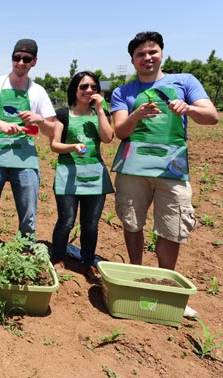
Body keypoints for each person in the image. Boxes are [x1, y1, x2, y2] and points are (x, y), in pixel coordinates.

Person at [110, 31, 218, 318]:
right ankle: (134, 276)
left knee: (172, 226)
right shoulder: (124, 92)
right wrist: (136, 115)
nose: (147, 58)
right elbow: (119, 131)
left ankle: (165, 285)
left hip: (172, 168)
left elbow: (212, 116)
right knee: (132, 221)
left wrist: (189, 108)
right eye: (140, 54)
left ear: (161, 53)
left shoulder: (184, 82)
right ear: (132, 60)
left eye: (152, 52)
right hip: (133, 168)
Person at [0, 38, 56, 275]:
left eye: (26, 59)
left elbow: (53, 130)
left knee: (28, 213)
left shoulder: (38, 91)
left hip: (25, 161)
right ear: (12, 58)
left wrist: (40, 120)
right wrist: (0, 124)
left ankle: (27, 255)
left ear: (34, 62)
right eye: (17, 57)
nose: (21, 62)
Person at [49, 71, 114, 281]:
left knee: (91, 224)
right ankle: (57, 257)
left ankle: (87, 262)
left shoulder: (100, 114)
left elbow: (108, 138)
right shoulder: (63, 114)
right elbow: (54, 145)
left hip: (95, 176)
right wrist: (73, 147)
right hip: (69, 175)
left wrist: (101, 111)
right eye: (84, 87)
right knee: (66, 221)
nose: (89, 91)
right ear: (75, 89)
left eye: (93, 87)